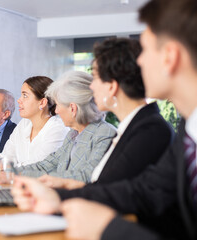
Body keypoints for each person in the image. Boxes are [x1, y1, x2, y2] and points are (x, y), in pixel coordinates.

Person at [12, 0, 197, 239]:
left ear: (170, 56)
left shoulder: (154, 129)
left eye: (146, 50)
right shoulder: (187, 130)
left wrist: (109, 228)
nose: (139, 63)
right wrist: (58, 197)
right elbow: (144, 191)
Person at [38, 38, 174, 190]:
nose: (92, 86)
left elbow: (111, 191)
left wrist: (58, 192)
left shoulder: (149, 130)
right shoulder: (132, 127)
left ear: (112, 86)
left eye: (95, 78)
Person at [0, 71, 117, 188]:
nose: (57, 111)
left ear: (72, 108)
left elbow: (85, 176)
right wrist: (5, 175)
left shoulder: (105, 133)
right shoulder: (73, 135)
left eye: (59, 105)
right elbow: (44, 166)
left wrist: (8, 174)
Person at [0, 76, 69, 177]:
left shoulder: (58, 129)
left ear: (42, 103)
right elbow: (7, 156)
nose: (19, 100)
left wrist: (2, 167)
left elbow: (37, 168)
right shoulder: (24, 124)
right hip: (17, 185)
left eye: (25, 95)